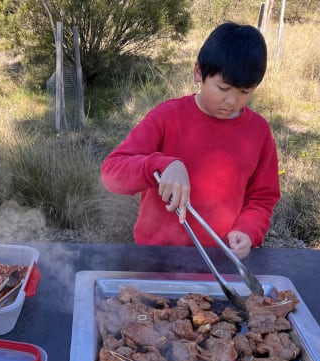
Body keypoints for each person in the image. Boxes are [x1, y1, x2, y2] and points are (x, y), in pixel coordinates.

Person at [100, 22, 280, 260]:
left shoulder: (258, 131)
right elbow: (112, 173)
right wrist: (161, 166)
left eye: (245, 92)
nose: (232, 101)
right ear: (198, 73)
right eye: (223, 88)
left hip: (220, 258)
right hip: (157, 257)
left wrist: (247, 231)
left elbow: (262, 198)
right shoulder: (168, 117)